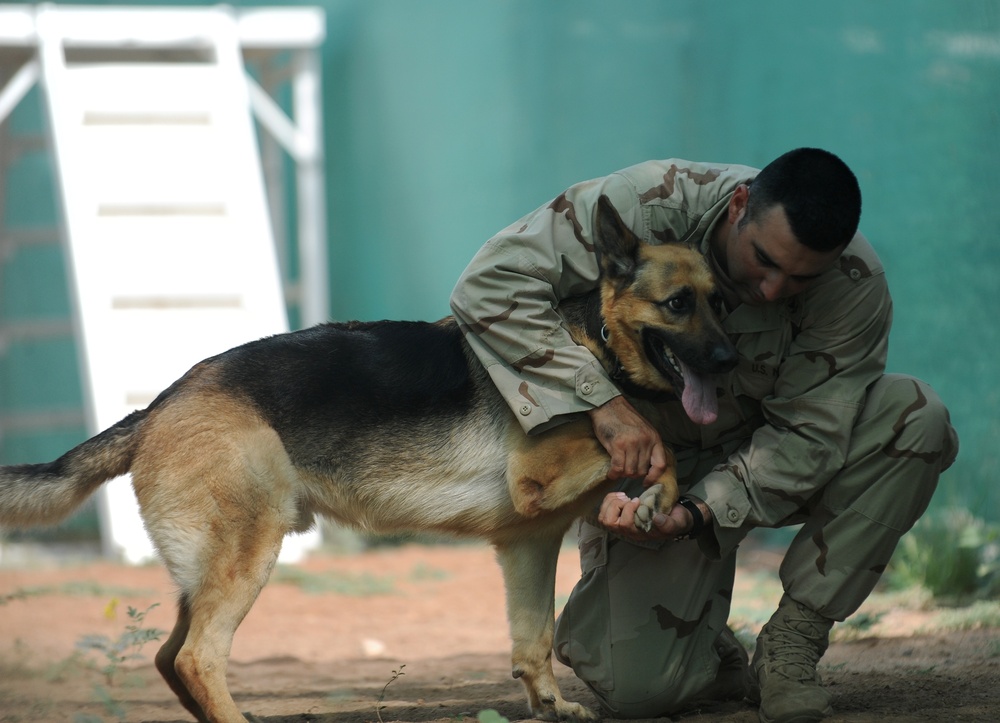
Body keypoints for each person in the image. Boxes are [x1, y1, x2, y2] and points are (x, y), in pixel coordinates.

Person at [449, 148, 959, 723]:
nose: (771, 289)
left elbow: (811, 437)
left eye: (799, 278)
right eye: (763, 260)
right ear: (740, 205)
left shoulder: (853, 284)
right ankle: (709, 652)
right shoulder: (646, 203)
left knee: (916, 417)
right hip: (646, 466)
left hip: (769, 461)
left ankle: (792, 645)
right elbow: (488, 285)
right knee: (640, 692)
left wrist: (698, 512)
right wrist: (604, 409)